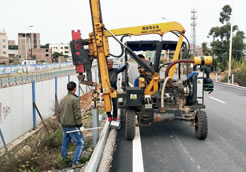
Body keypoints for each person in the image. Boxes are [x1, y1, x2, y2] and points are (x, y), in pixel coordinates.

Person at [60, 81, 84, 169]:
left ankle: (64, 160)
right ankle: (75, 162)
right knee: (80, 143)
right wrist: (80, 125)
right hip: (72, 126)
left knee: (65, 143)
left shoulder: (63, 99)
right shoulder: (75, 99)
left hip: (64, 125)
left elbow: (61, 112)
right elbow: (77, 115)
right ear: (75, 89)